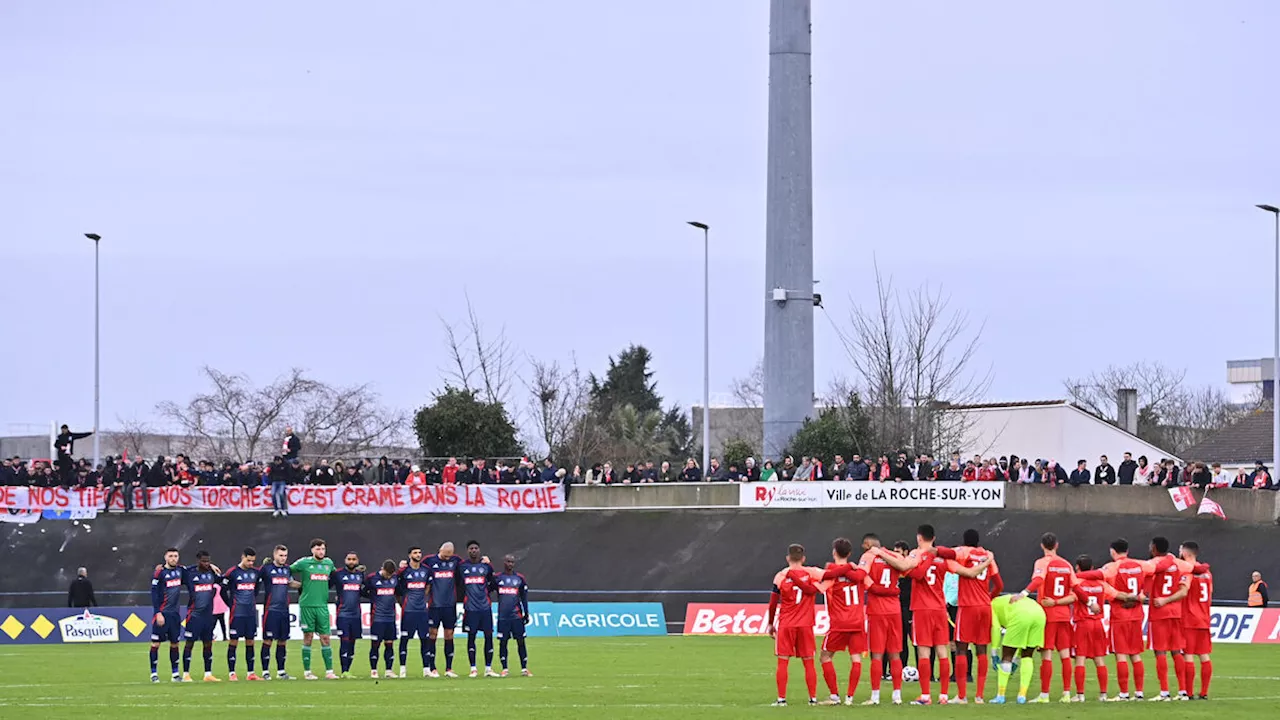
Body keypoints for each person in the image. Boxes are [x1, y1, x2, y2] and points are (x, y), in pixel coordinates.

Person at [894, 525, 990, 705]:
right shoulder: (943, 558)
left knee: (923, 651)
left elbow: (911, 570)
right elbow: (969, 573)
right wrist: (988, 561)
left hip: (922, 609)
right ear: (934, 537)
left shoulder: (916, 554)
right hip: (940, 608)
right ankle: (944, 695)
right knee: (942, 651)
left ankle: (925, 696)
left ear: (919, 538)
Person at [1016, 532, 1077, 703]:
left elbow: (1037, 580)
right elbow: (1074, 595)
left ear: (1042, 545)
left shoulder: (1042, 563)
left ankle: (1044, 694)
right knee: (1065, 655)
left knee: (1047, 655)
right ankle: (1066, 694)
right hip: (1064, 615)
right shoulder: (1066, 565)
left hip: (1047, 615)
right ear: (1057, 545)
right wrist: (1059, 602)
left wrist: (1023, 594)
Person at [947, 529, 1004, 703]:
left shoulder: (962, 552)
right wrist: (988, 597)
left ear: (964, 541)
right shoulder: (987, 556)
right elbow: (999, 585)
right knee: (981, 650)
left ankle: (962, 696)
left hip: (967, 606)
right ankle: (979, 696)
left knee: (961, 648)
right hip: (984, 607)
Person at [1070, 555, 1138, 702]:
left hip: (1082, 623)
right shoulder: (1102, 584)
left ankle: (1080, 695)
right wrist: (1133, 597)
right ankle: (1103, 694)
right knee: (1099, 660)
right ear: (1093, 569)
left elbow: (1072, 598)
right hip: (1098, 625)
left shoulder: (1077, 583)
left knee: (1080, 659)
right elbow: (1118, 595)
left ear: (1078, 568)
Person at [765, 543, 824, 706]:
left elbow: (772, 603)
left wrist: (770, 624)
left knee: (783, 661)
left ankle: (781, 699)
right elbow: (828, 577)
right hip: (806, 624)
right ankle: (813, 698)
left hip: (786, 624)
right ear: (803, 558)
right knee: (808, 661)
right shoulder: (811, 573)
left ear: (787, 558)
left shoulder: (780, 576)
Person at [815, 537, 871, 705]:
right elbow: (869, 582)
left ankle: (834, 696)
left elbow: (821, 583)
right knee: (856, 659)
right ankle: (850, 698)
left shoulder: (831, 573)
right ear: (850, 553)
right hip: (857, 621)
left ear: (834, 552)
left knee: (825, 656)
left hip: (839, 622)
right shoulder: (858, 574)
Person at [857, 533, 908, 705]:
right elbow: (905, 570)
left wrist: (877, 588)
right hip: (894, 609)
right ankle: (897, 695)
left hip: (877, 610)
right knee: (895, 654)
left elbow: (861, 577)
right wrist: (892, 590)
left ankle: (875, 696)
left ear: (868, 543)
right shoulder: (895, 555)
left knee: (877, 655)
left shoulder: (868, 556)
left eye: (864, 544)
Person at [1146, 535, 1194, 701]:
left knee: (1160, 651)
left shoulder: (1153, 564)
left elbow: (1144, 576)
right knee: (1176, 651)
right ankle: (1182, 691)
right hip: (1176, 613)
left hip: (1159, 613)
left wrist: (1162, 600)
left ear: (1154, 548)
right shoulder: (1180, 565)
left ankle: (1164, 692)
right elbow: (1183, 589)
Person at [290, 538, 337, 680]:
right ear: (312, 550)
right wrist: (292, 582)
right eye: (318, 549)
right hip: (307, 605)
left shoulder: (329, 563)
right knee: (308, 637)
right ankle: (307, 672)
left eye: (323, 549)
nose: (321, 551)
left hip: (322, 606)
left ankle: (329, 671)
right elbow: (286, 570)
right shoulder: (304, 563)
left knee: (326, 638)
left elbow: (336, 577)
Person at [988, 593, 1047, 704]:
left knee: (1007, 656)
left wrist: (994, 653)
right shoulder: (1003, 600)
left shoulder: (991, 606)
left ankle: (1000, 696)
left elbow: (995, 628)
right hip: (1040, 614)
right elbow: (1022, 641)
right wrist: (1017, 659)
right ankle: (1022, 696)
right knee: (1027, 655)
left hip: (1021, 615)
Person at [221, 548, 263, 681]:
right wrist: (230, 604)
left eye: (252, 561)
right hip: (237, 613)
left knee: (250, 641)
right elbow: (223, 591)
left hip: (250, 613)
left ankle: (251, 673)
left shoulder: (255, 573)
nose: (251, 563)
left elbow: (256, 590)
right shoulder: (232, 572)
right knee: (234, 641)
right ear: (242, 557)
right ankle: (232, 673)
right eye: (248, 560)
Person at [459, 541, 500, 678]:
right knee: (471, 637)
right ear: (467, 551)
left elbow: (494, 583)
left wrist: (484, 591)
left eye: (476, 548)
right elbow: (457, 584)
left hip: (485, 608)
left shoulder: (486, 567)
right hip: (470, 609)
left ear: (479, 550)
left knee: (489, 637)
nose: (474, 550)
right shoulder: (462, 566)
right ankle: (473, 668)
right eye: (471, 548)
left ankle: (488, 668)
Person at [181, 550, 222, 682]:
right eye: (203, 561)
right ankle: (186, 674)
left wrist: (213, 567)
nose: (206, 563)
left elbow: (223, 580)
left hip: (208, 616)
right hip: (194, 615)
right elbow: (176, 570)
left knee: (208, 644)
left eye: (208, 561)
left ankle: (208, 674)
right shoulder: (189, 573)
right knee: (189, 644)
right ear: (198, 561)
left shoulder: (212, 574)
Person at [424, 542, 463, 677]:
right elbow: (415, 567)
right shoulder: (429, 560)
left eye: (449, 557)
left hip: (450, 605)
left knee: (449, 635)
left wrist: (484, 561)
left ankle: (449, 668)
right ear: (440, 550)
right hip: (434, 605)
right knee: (432, 634)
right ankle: (432, 667)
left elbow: (470, 566)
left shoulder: (456, 561)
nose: (447, 559)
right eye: (445, 556)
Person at [1180, 541, 1213, 700]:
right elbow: (1210, 592)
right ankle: (1204, 692)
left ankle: (1189, 691)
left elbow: (1183, 591)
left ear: (1186, 553)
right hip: (1204, 618)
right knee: (1204, 655)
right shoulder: (1207, 573)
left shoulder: (1187, 571)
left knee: (1188, 655)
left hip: (1189, 618)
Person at [149, 548, 187, 683]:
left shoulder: (181, 571)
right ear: (165, 557)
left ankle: (175, 674)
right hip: (162, 613)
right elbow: (154, 594)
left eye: (176, 556)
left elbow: (196, 570)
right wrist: (157, 612)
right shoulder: (160, 573)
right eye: (171, 556)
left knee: (175, 644)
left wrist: (210, 566)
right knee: (156, 644)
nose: (174, 558)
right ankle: (154, 674)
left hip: (175, 615)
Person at [396, 546, 433, 677]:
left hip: (422, 611)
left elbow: (428, 585)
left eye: (419, 552)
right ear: (409, 555)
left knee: (425, 639)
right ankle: (402, 669)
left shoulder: (426, 570)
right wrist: (403, 604)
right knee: (405, 639)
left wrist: (424, 598)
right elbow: (397, 590)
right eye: (415, 553)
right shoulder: (403, 571)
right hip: (409, 611)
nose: (418, 555)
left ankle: (426, 669)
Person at [259, 545, 294, 679]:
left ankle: (281, 671)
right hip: (271, 610)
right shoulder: (266, 569)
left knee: (282, 641)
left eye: (285, 556)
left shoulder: (287, 569)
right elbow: (254, 579)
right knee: (268, 640)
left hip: (284, 610)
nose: (283, 558)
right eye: (280, 555)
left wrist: (308, 585)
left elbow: (291, 583)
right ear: (274, 555)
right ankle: (265, 671)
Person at [329, 551, 365, 678]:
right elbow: (325, 586)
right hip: (343, 614)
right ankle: (344, 671)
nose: (351, 561)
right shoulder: (338, 574)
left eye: (353, 559)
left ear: (357, 560)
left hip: (356, 614)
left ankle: (348, 670)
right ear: (345, 560)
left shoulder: (360, 575)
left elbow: (364, 591)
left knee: (352, 642)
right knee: (344, 641)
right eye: (349, 559)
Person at [495, 554, 532, 677]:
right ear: (504, 562)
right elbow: (487, 589)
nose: (510, 564)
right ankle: (504, 668)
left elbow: (524, 597)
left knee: (521, 642)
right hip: (503, 617)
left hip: (517, 616)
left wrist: (526, 613)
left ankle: (524, 668)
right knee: (503, 642)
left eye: (512, 562)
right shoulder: (498, 578)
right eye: (508, 561)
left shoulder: (520, 578)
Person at [365, 560, 400, 679]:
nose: (388, 576)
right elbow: (364, 591)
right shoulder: (372, 578)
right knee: (375, 645)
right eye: (387, 574)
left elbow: (399, 592)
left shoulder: (395, 579)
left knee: (389, 644)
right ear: (382, 568)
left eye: (390, 574)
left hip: (390, 617)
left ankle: (389, 670)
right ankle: (374, 670)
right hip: (377, 618)